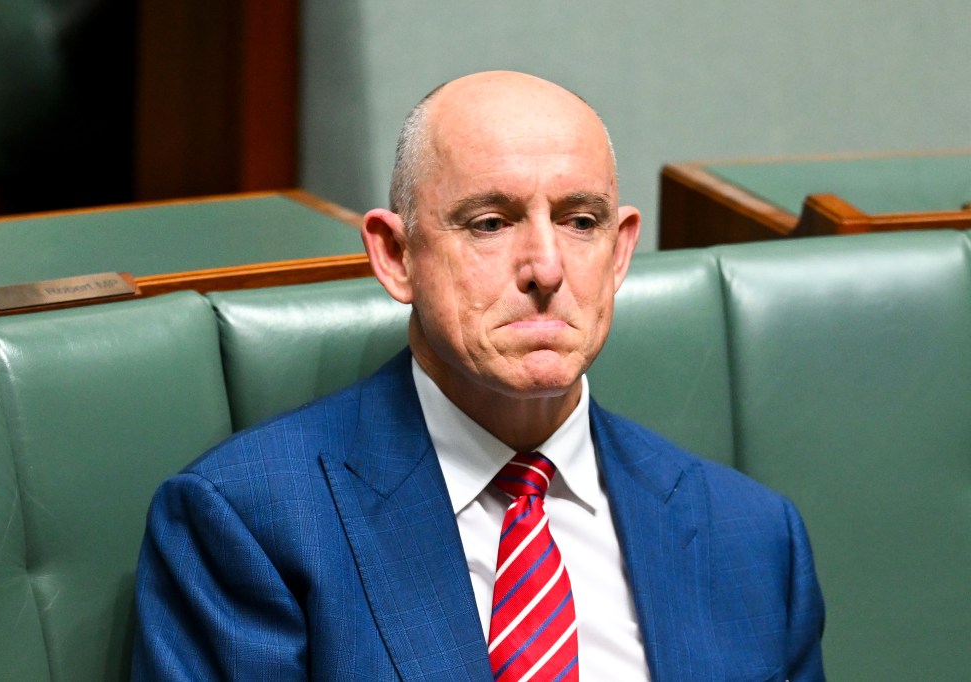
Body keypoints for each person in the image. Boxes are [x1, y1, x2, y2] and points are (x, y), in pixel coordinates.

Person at [132, 71, 825, 680]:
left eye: (581, 221)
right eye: (491, 223)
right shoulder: (247, 523)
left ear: (619, 255)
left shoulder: (753, 535)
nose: (546, 268)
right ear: (397, 256)